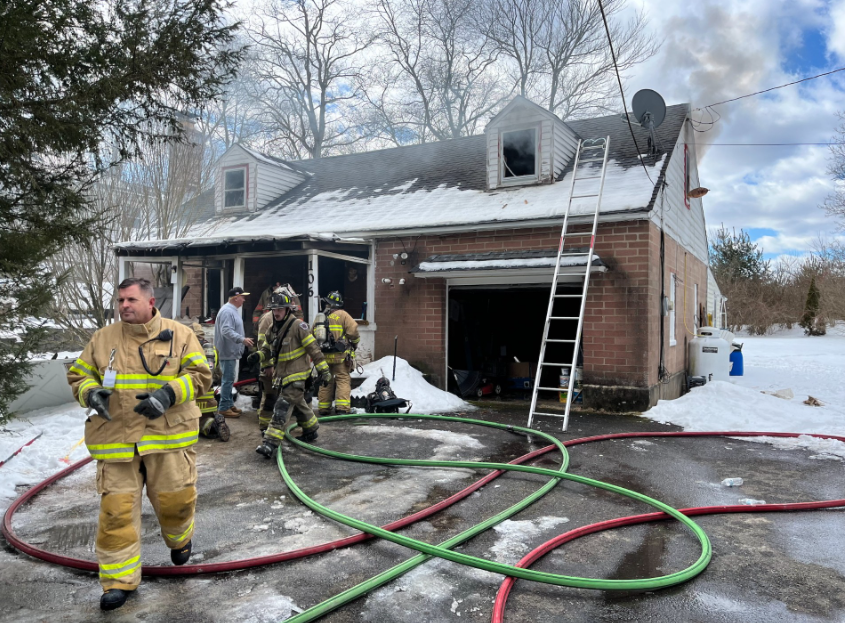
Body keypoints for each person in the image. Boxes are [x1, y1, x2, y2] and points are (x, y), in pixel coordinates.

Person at [66, 277, 212, 611]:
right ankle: (118, 581)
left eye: (130, 300)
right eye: (119, 301)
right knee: (116, 513)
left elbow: (202, 376)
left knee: (176, 501)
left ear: (150, 302)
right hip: (117, 440)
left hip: (168, 437)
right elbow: (78, 375)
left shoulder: (181, 334)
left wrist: (168, 394)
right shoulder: (103, 339)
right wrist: (90, 391)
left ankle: (179, 540)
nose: (123, 306)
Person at [250, 293, 332, 458]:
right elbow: (266, 348)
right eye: (274, 309)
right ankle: (311, 429)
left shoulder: (298, 326)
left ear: (288, 309)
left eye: (280, 309)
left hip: (297, 377)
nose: (277, 312)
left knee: (282, 408)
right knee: (299, 405)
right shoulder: (273, 328)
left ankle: (269, 443)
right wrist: (258, 356)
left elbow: (313, 349)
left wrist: (324, 370)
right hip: (282, 377)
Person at [255, 283, 307, 431]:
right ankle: (265, 426)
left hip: (284, 369)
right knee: (270, 398)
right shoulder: (268, 319)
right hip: (271, 367)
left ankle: (280, 424)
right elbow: (262, 343)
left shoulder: (288, 320)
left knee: (287, 399)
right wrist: (268, 365)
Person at [314, 291, 360, 415]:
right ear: (339, 304)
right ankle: (342, 408)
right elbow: (353, 331)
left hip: (324, 356)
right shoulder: (343, 315)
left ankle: (323, 408)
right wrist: (355, 343)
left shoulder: (321, 316)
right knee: (342, 379)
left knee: (326, 380)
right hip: (340, 356)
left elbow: (312, 334)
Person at [214, 287, 254, 418]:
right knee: (227, 379)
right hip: (227, 351)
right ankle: (224, 407)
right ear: (235, 298)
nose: (244, 299)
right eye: (242, 297)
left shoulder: (232, 311)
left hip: (230, 351)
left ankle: (229, 404)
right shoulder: (227, 311)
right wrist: (242, 339)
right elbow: (226, 330)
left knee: (229, 379)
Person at [191, 323, 229, 442]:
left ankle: (208, 426)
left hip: (194, 398)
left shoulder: (187, 348)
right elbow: (218, 375)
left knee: (190, 424)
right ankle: (213, 424)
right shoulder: (213, 349)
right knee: (205, 421)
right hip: (209, 400)